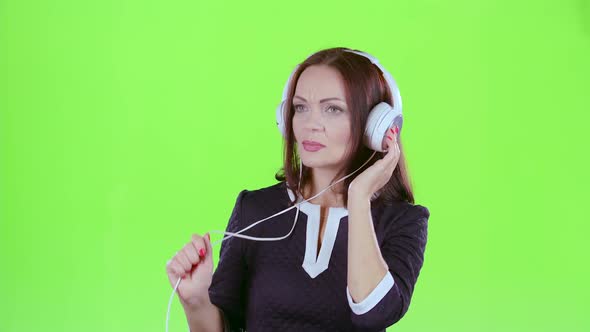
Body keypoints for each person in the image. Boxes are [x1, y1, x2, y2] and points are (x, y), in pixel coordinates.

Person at [165, 47, 430, 332]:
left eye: (333, 109)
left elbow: (374, 315)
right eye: (300, 107)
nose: (309, 124)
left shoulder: (403, 221)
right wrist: (196, 302)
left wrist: (358, 198)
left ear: (373, 125)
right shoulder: (254, 209)